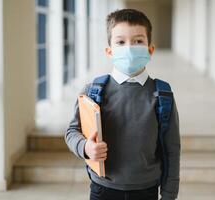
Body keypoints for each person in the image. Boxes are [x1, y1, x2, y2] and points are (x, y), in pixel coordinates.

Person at [65, 8, 180, 200]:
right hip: (103, 189)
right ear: (109, 51)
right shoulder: (93, 91)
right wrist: (85, 147)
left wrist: (169, 194)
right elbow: (71, 132)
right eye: (120, 42)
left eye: (138, 41)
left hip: (147, 190)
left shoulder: (162, 95)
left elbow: (172, 149)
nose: (129, 48)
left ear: (150, 50)